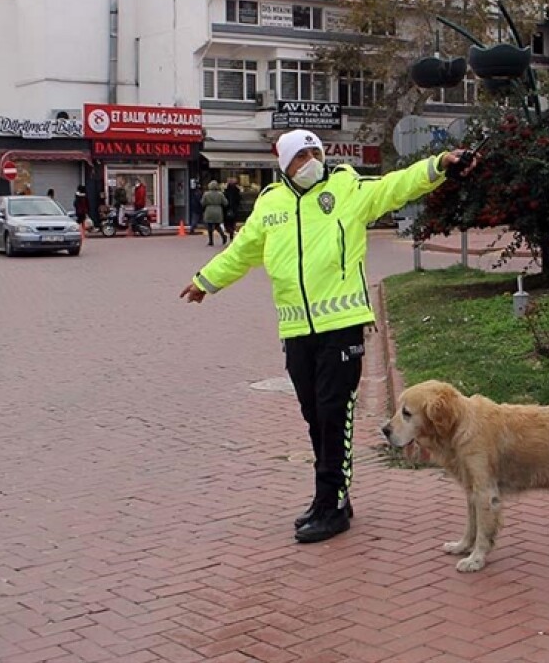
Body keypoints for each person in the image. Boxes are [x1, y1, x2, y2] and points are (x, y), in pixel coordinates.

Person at [179, 129, 477, 544]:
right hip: (297, 329)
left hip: (342, 326)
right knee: (314, 417)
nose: (311, 161)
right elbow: (242, 251)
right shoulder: (270, 204)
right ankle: (331, 496)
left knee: (334, 415)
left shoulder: (347, 187)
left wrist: (438, 164)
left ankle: (331, 507)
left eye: (316, 152)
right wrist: (204, 282)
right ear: (283, 162)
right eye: (301, 156)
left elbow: (395, 185)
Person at [199, 181, 228, 247]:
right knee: (217, 225)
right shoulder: (220, 194)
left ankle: (211, 241)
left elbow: (202, 203)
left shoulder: (206, 194)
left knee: (209, 226)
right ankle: (223, 236)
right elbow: (225, 202)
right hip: (218, 210)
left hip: (209, 210)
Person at [223, 178, 242, 242]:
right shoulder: (237, 191)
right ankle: (232, 233)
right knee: (232, 222)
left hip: (227, 209)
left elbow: (224, 200)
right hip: (234, 209)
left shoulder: (226, 191)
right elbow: (239, 200)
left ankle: (230, 232)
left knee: (227, 223)